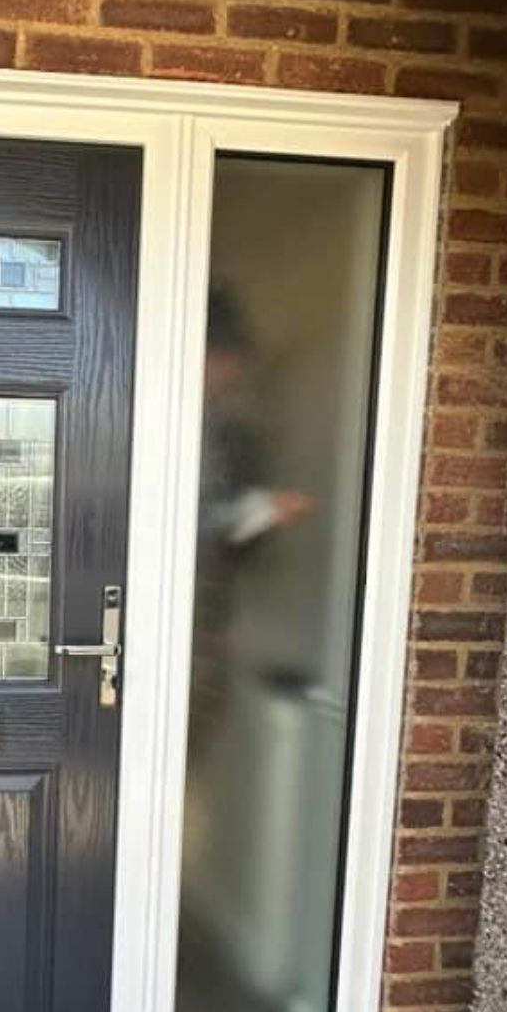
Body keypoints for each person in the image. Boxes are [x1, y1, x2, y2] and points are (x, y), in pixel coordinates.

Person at [187, 288, 312, 758]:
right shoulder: (172, 422)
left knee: (192, 736)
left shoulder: (225, 431)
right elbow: (172, 523)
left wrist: (259, 515)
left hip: (207, 615)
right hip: (172, 613)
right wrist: (258, 512)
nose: (232, 373)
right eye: (225, 359)